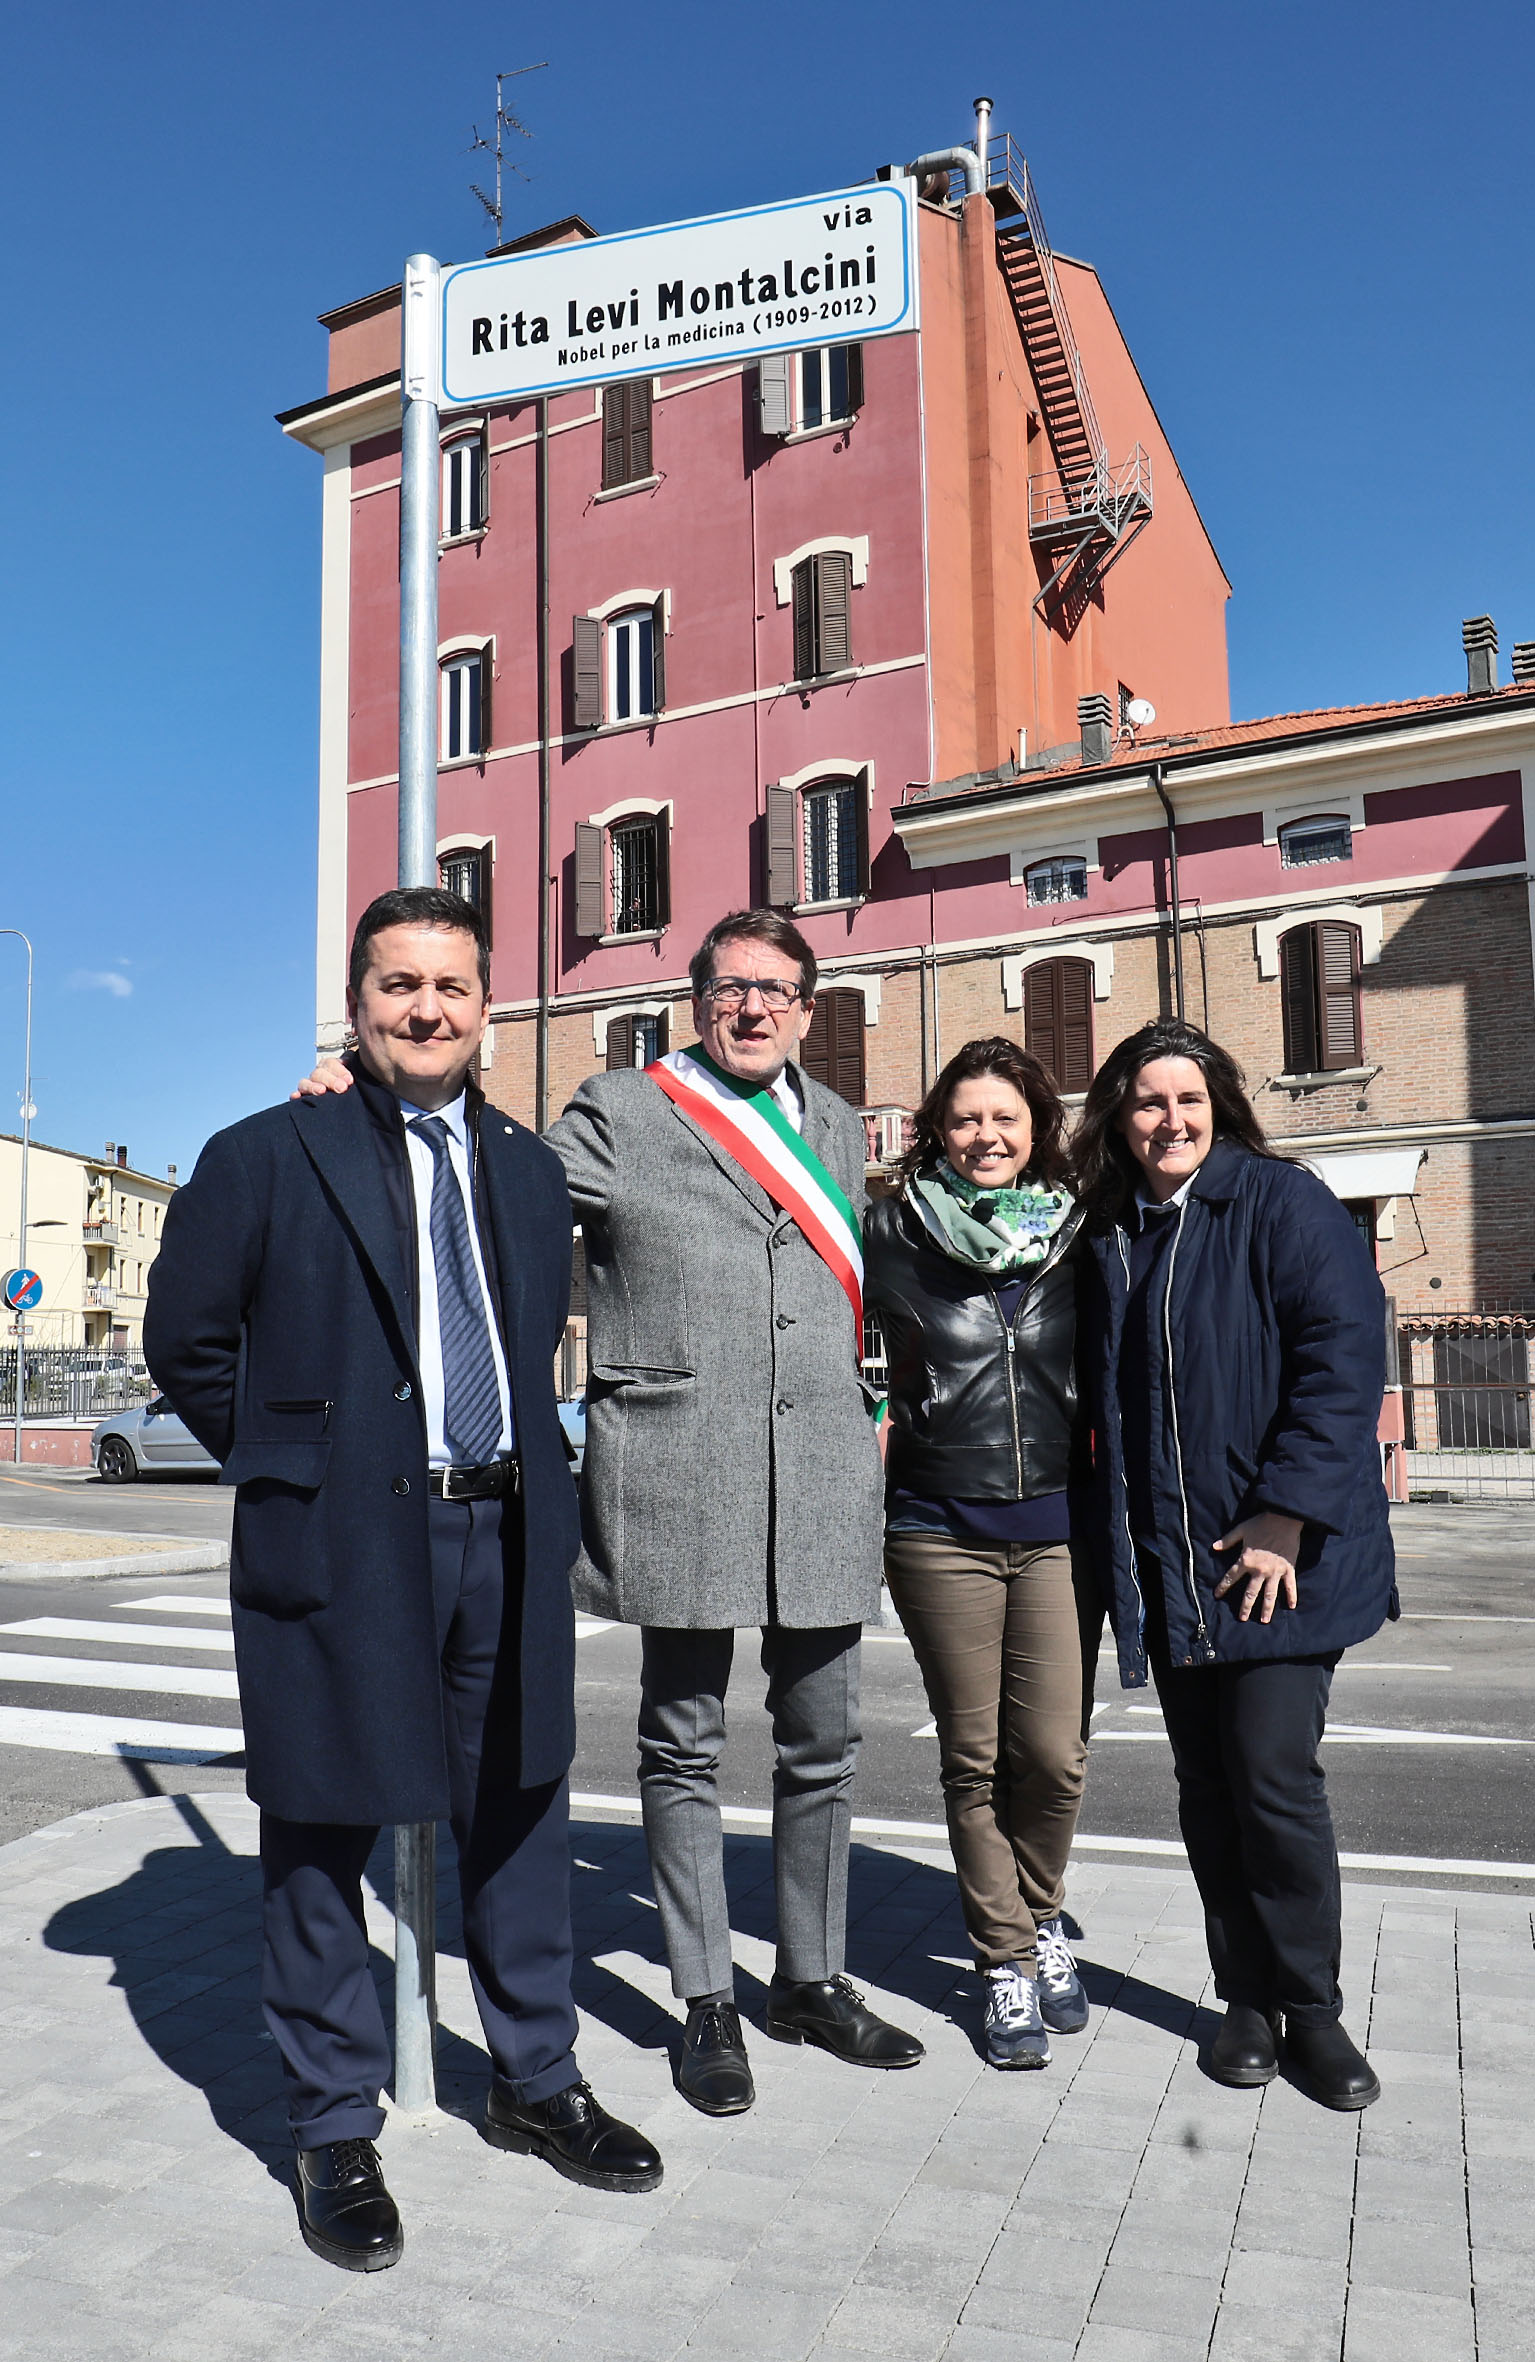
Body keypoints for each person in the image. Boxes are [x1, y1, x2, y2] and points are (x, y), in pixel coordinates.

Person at [299, 908, 923, 2121]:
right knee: (682, 1739)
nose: (752, 1008)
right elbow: (488, 1187)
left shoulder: (841, 1127)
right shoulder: (622, 1108)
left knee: (824, 1740)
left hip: (820, 1472)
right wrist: (364, 1094)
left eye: (776, 990)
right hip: (679, 1462)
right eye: (730, 987)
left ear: (805, 1009)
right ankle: (706, 2000)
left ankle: (810, 1977)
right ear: (697, 999)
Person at [145, 887, 661, 2275]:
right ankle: (329, 2121)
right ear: (355, 1004)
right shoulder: (265, 1152)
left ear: (486, 1006)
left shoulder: (528, 1170)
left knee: (522, 1809)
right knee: (321, 1824)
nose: (425, 1009)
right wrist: (295, 1466)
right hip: (340, 1542)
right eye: (398, 984)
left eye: (450, 986)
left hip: (505, 1530)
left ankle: (536, 2077)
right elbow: (187, 1340)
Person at [1072, 1017, 1395, 2109]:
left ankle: (1313, 2009)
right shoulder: (1113, 1230)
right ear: (1119, 1117)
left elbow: (1341, 1361)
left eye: (1188, 1099)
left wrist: (1284, 1514)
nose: (1169, 1119)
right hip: (1173, 1562)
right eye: (1147, 1101)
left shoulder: (1278, 1201)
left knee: (1271, 1778)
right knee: (1207, 1788)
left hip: (1274, 1560)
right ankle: (1244, 1999)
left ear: (1218, 1108)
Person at [865, 1039, 1097, 2072]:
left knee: (1050, 1757)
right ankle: (1004, 1959)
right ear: (937, 1130)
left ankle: (1040, 1917)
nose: (985, 1136)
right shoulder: (889, 1227)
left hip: (1053, 1527)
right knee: (973, 1760)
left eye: (1004, 1117)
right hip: (935, 1525)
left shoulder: (1079, 1228)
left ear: (1036, 1126)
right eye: (964, 1119)